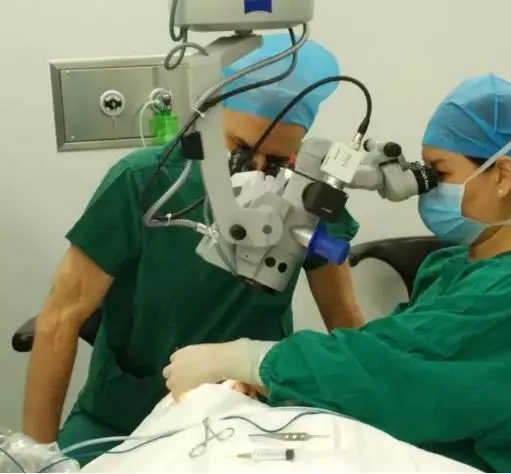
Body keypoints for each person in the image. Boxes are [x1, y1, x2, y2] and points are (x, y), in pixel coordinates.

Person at [163, 74, 511, 473]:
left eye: (440, 173)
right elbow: (388, 347)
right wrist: (275, 384)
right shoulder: (456, 266)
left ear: (502, 175)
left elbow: (389, 374)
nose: (427, 188)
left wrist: (252, 360)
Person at [22, 34, 363, 464]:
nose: (257, 175)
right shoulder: (144, 184)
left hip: (251, 418)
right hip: (124, 418)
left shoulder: (309, 199)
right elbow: (59, 320)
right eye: (241, 153)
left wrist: (371, 421)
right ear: (208, 124)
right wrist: (35, 457)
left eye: (278, 163)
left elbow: (344, 317)